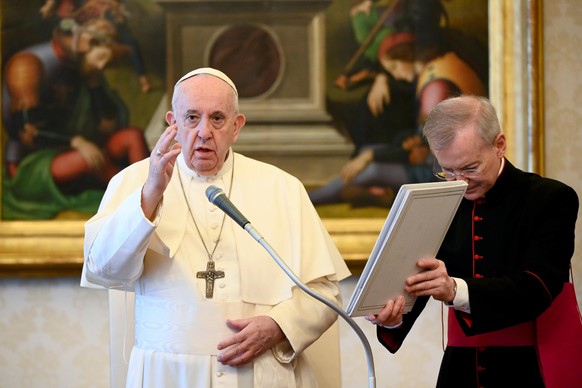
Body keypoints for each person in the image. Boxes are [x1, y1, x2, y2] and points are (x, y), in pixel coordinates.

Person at [80, 67, 351, 387]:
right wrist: (150, 193)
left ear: (237, 127)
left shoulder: (282, 188)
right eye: (192, 117)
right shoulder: (132, 182)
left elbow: (324, 292)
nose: (204, 131)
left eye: (217, 118)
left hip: (259, 373)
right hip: (167, 376)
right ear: (173, 123)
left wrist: (280, 326)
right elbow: (103, 269)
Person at [367, 95, 579, 387]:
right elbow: (416, 280)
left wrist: (455, 289)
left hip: (531, 369)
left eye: (470, 168)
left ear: (499, 144)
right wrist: (393, 317)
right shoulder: (436, 202)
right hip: (459, 370)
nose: (460, 181)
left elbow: (539, 286)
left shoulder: (550, 198)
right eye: (448, 170)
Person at [1, 16, 149, 219]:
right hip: (33, 163)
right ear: (86, 44)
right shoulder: (28, 66)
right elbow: (29, 133)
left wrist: (94, 84)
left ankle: (150, 191)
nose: (101, 66)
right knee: (89, 158)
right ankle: (137, 200)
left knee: (132, 135)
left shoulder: (84, 69)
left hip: (84, 148)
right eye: (100, 58)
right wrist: (75, 141)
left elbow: (108, 126)